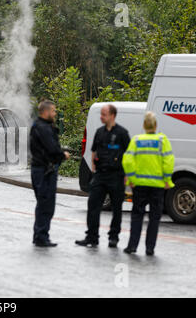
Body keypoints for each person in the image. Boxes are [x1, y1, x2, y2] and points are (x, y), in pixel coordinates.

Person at [76, 104, 130, 248]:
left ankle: (114, 237)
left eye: (104, 114)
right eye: (101, 114)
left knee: (116, 208)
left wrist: (127, 174)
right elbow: (93, 150)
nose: (101, 117)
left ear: (112, 115)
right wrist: (93, 168)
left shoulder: (122, 133)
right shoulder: (99, 132)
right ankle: (91, 237)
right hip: (100, 175)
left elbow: (129, 155)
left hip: (116, 176)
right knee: (93, 205)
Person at [122, 112, 175, 256]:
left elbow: (127, 160)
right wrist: (167, 180)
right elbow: (168, 161)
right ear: (156, 125)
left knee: (137, 215)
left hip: (139, 185)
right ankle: (150, 248)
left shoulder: (137, 140)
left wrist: (132, 179)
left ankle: (132, 246)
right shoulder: (162, 141)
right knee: (154, 217)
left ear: (144, 126)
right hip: (157, 186)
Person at [30, 99, 70, 247]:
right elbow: (52, 149)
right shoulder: (44, 128)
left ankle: (39, 235)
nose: (55, 113)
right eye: (53, 111)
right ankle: (41, 236)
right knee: (46, 204)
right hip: (45, 171)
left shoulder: (38, 126)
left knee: (42, 203)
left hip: (40, 169)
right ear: (45, 112)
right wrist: (63, 155)